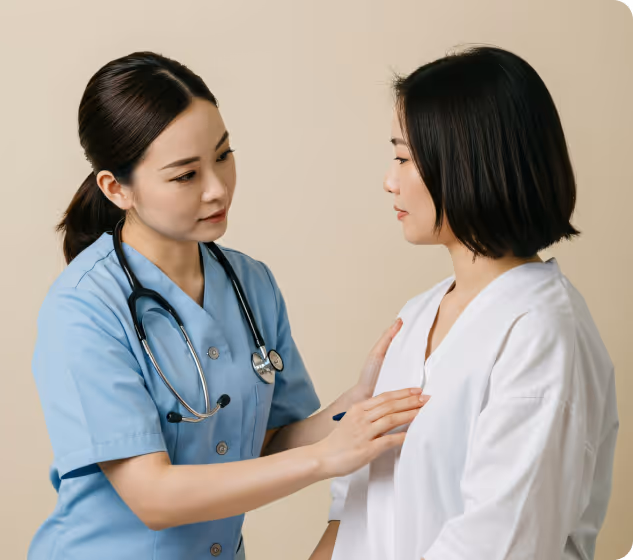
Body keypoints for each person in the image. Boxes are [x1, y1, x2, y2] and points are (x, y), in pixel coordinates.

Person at [27, 51, 428, 560]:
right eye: (185, 175)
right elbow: (152, 497)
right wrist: (328, 458)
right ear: (117, 188)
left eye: (223, 155)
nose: (218, 188)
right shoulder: (84, 307)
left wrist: (356, 402)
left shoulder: (250, 283)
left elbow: (270, 444)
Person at [312, 46, 618, 560]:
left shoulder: (542, 333)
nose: (390, 180)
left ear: (469, 162)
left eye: (405, 158)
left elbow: (499, 541)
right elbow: (351, 511)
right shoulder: (414, 318)